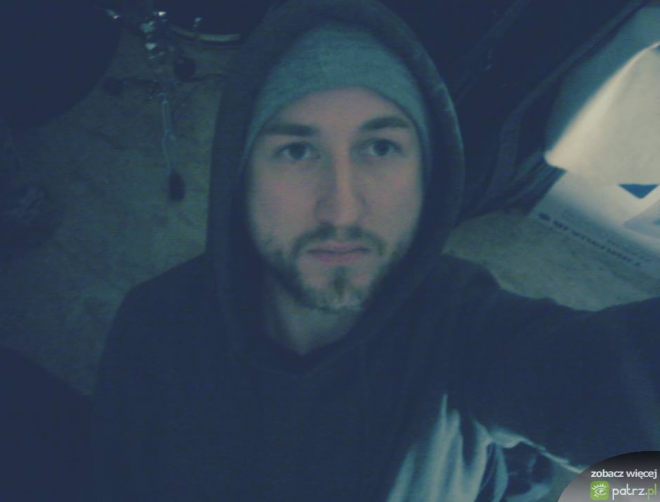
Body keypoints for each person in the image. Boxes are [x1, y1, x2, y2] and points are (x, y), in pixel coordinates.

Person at [92, 0, 660, 500]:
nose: (341, 209)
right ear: (240, 179)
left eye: (380, 148)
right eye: (297, 151)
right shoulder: (154, 325)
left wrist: (593, 493)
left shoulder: (467, 331)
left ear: (429, 182)